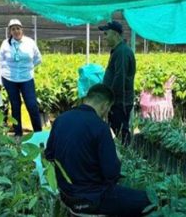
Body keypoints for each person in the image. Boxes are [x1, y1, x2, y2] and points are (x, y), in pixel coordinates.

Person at [45, 84, 150, 217]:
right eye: (109, 109)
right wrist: (116, 158)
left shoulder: (61, 119)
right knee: (150, 202)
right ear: (105, 105)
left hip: (66, 195)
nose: (107, 114)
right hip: (91, 198)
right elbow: (111, 173)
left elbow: (49, 155)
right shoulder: (100, 127)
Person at [0, 19, 42, 138]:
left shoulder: (30, 42)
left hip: (26, 78)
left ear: (22, 29)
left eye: (18, 28)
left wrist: (28, 68)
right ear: (10, 31)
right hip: (9, 79)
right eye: (13, 29)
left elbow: (38, 58)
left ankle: (38, 132)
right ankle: (18, 134)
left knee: (32, 105)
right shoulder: (5, 44)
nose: (16, 31)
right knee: (15, 105)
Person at [99, 20, 136, 145]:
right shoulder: (119, 51)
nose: (104, 37)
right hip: (117, 101)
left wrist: (110, 101)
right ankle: (123, 157)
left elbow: (120, 78)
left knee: (121, 133)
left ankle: (125, 159)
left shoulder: (122, 52)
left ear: (115, 34)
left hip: (120, 102)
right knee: (118, 131)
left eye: (106, 34)